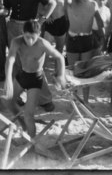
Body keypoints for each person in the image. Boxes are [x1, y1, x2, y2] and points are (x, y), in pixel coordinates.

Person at [4, 20, 66, 149]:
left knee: (28, 114)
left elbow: (60, 57)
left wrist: (60, 75)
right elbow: (10, 59)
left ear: (39, 34)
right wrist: (8, 79)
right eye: (27, 37)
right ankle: (24, 126)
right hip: (23, 75)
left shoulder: (43, 43)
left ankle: (31, 142)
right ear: (23, 33)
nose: (30, 40)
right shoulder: (17, 41)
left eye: (33, 37)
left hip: (36, 78)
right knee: (9, 101)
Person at [64, 0, 104, 102]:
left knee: (86, 72)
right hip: (73, 39)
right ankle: (74, 101)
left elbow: (100, 23)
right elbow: (67, 1)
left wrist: (102, 38)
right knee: (73, 72)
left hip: (87, 39)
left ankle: (85, 101)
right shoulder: (72, 1)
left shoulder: (93, 4)